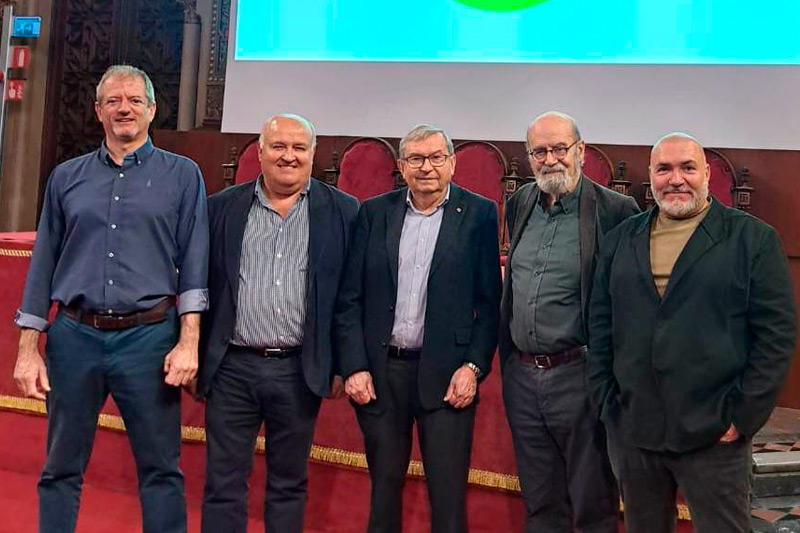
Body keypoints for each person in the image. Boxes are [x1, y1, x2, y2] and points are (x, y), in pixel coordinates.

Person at [12, 64, 208, 533]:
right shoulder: (66, 177)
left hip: (150, 340)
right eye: (114, 101)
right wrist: (27, 348)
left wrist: (189, 342)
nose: (125, 109)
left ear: (152, 110)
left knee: (161, 471)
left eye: (135, 100)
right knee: (60, 468)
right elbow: (43, 262)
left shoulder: (183, 176)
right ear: (99, 111)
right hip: (74, 338)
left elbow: (195, 263)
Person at [587, 132, 798, 532]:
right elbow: (599, 325)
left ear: (707, 174)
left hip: (714, 431)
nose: (676, 179)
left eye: (687, 168)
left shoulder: (753, 239)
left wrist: (743, 415)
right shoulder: (620, 240)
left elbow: (776, 336)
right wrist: (607, 403)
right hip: (635, 427)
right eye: (664, 169)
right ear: (651, 176)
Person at [334, 124, 501, 533]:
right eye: (416, 159)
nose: (427, 167)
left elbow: (489, 305)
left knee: (447, 498)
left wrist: (473, 368)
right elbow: (350, 297)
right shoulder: (374, 213)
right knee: (384, 491)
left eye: (436, 157)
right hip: (382, 374)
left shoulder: (479, 214)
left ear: (452, 163)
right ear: (401, 165)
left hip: (447, 377)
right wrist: (353, 365)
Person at [198, 114, 359, 533]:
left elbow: (350, 297)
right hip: (231, 368)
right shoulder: (220, 207)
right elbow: (200, 284)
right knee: (223, 483)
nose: (289, 156)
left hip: (298, 370)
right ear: (260, 151)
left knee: (289, 483)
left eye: (299, 148)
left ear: (312, 154)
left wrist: (342, 364)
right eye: (279, 146)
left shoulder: (344, 211)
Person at [499, 111, 639, 532]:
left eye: (560, 148)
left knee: (592, 502)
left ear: (580, 150)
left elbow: (631, 301)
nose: (550, 159)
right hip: (523, 378)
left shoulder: (616, 210)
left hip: (581, 376)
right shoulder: (521, 202)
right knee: (540, 502)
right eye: (539, 151)